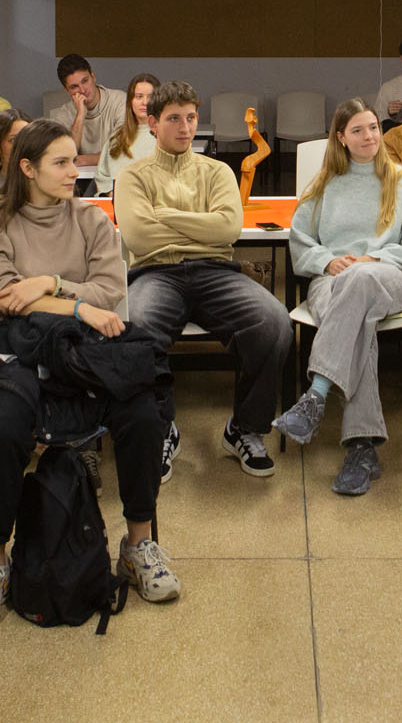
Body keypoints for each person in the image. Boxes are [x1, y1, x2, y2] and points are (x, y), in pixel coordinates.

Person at [0, 117, 178, 624]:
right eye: (60, 163)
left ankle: (138, 543)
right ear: (27, 168)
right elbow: (2, 297)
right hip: (21, 352)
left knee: (143, 413)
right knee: (1, 430)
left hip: (84, 355)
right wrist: (77, 306)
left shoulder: (91, 221)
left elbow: (111, 293)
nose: (73, 171)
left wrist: (46, 281)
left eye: (74, 159)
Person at [113, 80, 294, 479]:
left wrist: (164, 216)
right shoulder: (131, 177)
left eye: (191, 117)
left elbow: (227, 229)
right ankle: (161, 430)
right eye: (174, 118)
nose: (185, 127)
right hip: (155, 272)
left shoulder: (218, 172)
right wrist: (200, 224)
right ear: (153, 123)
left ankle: (244, 429)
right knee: (137, 327)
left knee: (274, 321)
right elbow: (138, 236)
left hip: (215, 271)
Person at [272, 100, 402, 495]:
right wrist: (328, 261)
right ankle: (362, 448)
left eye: (373, 128)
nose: (369, 137)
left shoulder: (401, 181)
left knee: (361, 280)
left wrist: (372, 257)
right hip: (332, 282)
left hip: (390, 278)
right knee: (358, 315)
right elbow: (300, 244)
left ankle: (316, 396)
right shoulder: (323, 185)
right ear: (342, 139)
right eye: (358, 131)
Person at [49, 54, 128, 169]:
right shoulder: (64, 114)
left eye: (85, 81)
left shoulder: (120, 101)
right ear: (67, 91)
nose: (83, 90)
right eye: (74, 87)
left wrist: (87, 160)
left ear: (93, 77)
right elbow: (64, 155)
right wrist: (80, 115)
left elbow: (122, 151)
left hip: (116, 175)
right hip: (78, 180)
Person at [94, 72, 161, 195]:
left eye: (150, 97)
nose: (145, 102)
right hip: (118, 205)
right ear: (130, 101)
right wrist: (114, 194)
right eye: (139, 96)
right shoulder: (116, 138)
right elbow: (102, 178)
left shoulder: (168, 138)